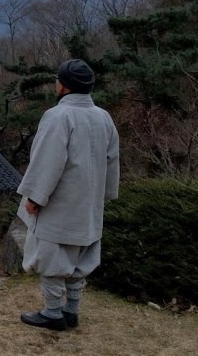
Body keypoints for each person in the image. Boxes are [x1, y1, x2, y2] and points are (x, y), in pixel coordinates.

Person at [17, 58, 120, 331]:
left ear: (62, 86)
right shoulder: (103, 117)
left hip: (60, 204)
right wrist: (105, 195)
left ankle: (53, 313)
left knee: (52, 258)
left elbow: (48, 161)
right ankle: (71, 311)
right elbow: (112, 161)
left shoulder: (58, 116)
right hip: (89, 205)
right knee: (79, 260)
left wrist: (35, 198)